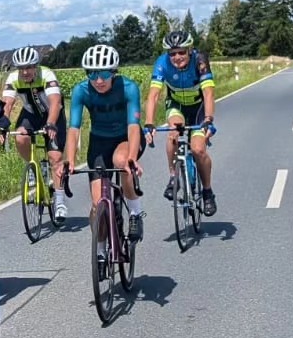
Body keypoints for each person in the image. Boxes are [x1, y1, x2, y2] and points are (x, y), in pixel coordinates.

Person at [61, 43, 146, 246]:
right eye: (92, 75)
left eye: (105, 75)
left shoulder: (128, 88)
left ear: (114, 72)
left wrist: (132, 158)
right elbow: (74, 128)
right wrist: (70, 160)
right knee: (97, 204)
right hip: (99, 142)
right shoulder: (81, 91)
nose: (98, 81)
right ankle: (100, 248)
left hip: (125, 138)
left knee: (121, 161)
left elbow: (134, 126)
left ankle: (135, 212)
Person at [143, 30, 217, 216]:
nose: (177, 57)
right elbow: (153, 95)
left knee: (198, 150)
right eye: (172, 53)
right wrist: (149, 123)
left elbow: (208, 93)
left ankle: (207, 192)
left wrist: (208, 120)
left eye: (181, 52)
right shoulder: (162, 63)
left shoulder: (200, 60)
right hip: (177, 105)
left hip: (199, 109)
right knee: (173, 133)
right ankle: (173, 177)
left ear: (190, 50)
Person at [2, 46, 68, 223]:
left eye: (29, 67)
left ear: (36, 66)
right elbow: (7, 104)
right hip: (30, 115)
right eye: (21, 68)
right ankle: (33, 168)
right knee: (20, 136)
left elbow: (55, 103)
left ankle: (60, 201)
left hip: (52, 115)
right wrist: (3, 125)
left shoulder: (47, 75)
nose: (25, 72)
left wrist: (51, 124)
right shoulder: (13, 78)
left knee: (55, 157)